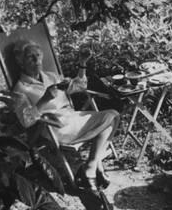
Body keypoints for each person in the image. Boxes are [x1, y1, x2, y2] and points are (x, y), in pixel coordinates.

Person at [11, 40, 119, 189]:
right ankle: (92, 168)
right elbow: (26, 121)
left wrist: (82, 63)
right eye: (30, 57)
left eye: (38, 55)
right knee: (110, 119)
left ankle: (91, 166)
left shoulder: (51, 77)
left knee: (113, 116)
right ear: (21, 62)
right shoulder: (20, 89)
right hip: (55, 127)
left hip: (72, 118)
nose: (37, 60)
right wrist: (43, 100)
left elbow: (80, 86)